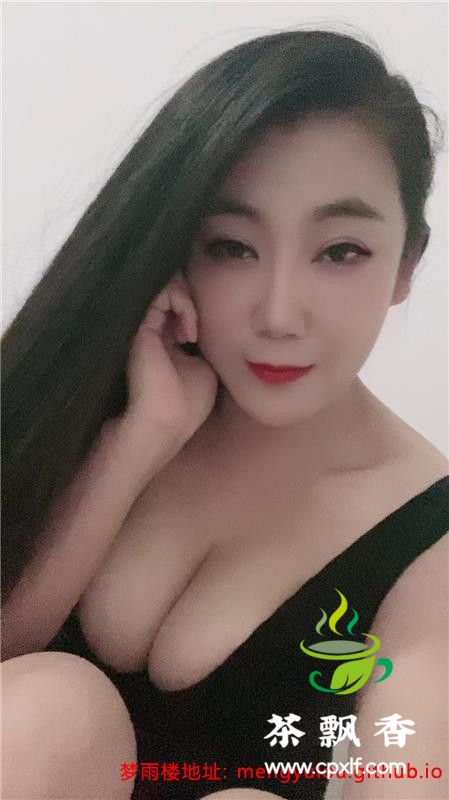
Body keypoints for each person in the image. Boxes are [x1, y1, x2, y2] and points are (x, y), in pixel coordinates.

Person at [1, 26, 448, 800]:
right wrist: (138, 442)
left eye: (339, 251)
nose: (277, 315)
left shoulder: (424, 541)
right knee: (52, 712)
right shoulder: (99, 390)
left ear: (406, 263)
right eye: (232, 247)